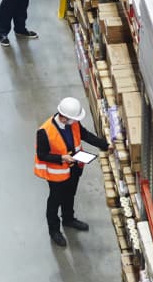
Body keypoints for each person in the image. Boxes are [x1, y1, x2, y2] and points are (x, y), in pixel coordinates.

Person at [34, 97, 112, 247]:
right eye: (72, 119)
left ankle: (68, 219)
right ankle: (54, 230)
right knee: (54, 202)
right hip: (57, 175)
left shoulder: (73, 123)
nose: (75, 122)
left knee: (70, 195)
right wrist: (61, 158)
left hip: (75, 169)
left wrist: (105, 145)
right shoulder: (45, 131)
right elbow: (42, 155)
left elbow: (85, 135)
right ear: (64, 117)